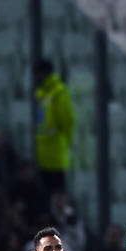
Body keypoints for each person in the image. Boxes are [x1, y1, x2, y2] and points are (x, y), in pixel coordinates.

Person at [33, 60, 74, 193]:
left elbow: (67, 121)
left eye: (37, 74)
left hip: (55, 154)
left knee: (57, 192)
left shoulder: (59, 92)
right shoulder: (40, 93)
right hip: (41, 153)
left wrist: (68, 143)